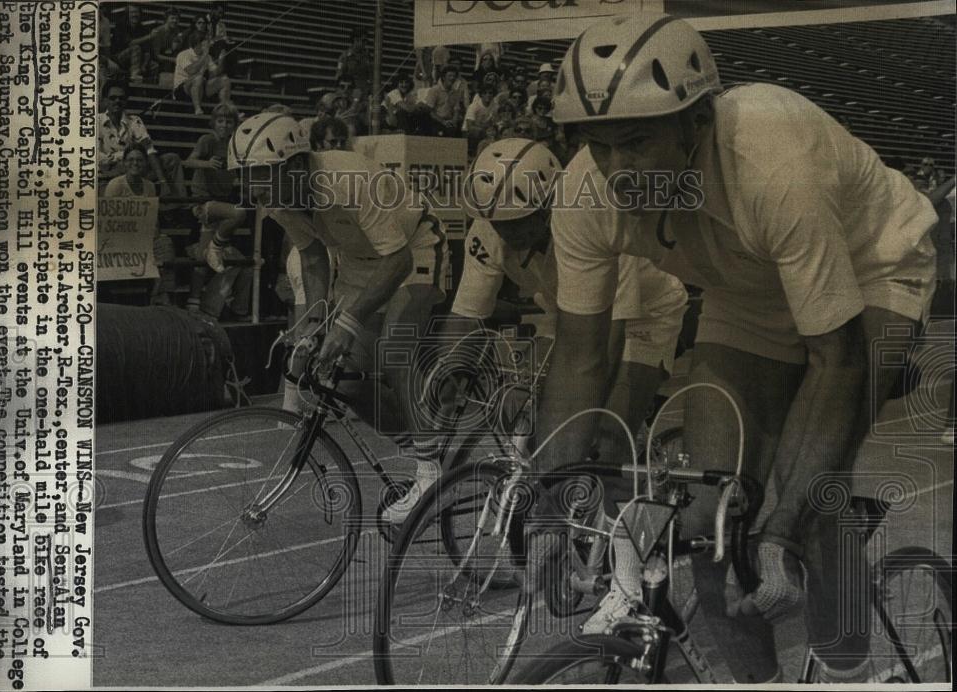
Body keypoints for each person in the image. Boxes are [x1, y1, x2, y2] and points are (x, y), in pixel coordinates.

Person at [535, 12, 938, 684]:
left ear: (697, 124)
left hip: (872, 268)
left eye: (636, 142)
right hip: (746, 291)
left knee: (807, 503)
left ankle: (856, 675)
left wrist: (781, 525)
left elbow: (836, 360)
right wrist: (552, 507)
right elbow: (579, 359)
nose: (617, 171)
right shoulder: (583, 194)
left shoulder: (769, 157)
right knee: (707, 522)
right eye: (599, 148)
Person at [375, 139, 689, 524]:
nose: (506, 233)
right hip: (568, 311)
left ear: (546, 208)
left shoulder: (589, 217)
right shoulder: (489, 228)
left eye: (517, 223)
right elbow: (465, 319)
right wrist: (446, 379)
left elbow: (605, 346)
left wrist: (583, 417)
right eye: (498, 223)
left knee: (607, 434)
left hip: (645, 317)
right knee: (526, 407)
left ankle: (627, 576)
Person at [218, 113, 450, 465]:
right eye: (246, 177)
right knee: (341, 380)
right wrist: (313, 324)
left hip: (413, 247)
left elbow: (398, 260)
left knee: (394, 352)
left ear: (294, 165)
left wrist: (347, 322)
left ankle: (429, 470)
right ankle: (424, 449)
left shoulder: (348, 177)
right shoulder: (278, 198)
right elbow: (312, 258)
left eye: (260, 176)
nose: (253, 189)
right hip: (359, 260)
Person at [103, 144, 176, 305]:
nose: (135, 163)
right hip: (121, 237)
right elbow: (108, 221)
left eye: (139, 160)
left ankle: (159, 294)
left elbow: (152, 218)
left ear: (145, 163)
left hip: (142, 236)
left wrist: (155, 234)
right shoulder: (116, 185)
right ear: (124, 163)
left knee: (165, 243)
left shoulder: (149, 186)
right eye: (130, 160)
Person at [97, 81, 185, 201]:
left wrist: (163, 181)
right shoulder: (95, 121)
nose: (117, 101)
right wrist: (123, 158)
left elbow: (149, 149)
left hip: (133, 169)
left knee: (172, 159)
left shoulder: (134, 121)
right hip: (107, 176)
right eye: (113, 98)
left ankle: (177, 205)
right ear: (105, 100)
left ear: (126, 101)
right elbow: (98, 158)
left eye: (121, 98)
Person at [184, 103, 239, 201]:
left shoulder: (234, 143)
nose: (224, 125)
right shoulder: (207, 140)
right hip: (203, 197)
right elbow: (188, 162)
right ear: (214, 123)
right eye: (220, 121)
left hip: (224, 195)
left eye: (229, 122)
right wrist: (207, 163)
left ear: (234, 125)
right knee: (239, 214)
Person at [174, 33, 234, 116]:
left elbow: (215, 73)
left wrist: (221, 60)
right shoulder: (184, 54)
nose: (209, 45)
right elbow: (192, 71)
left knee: (225, 80)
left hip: (200, 86)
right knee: (198, 78)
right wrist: (205, 54)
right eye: (206, 43)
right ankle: (197, 108)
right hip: (182, 89)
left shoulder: (207, 57)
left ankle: (226, 109)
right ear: (198, 44)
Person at [421, 64, 464, 138]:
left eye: (454, 76)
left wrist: (454, 121)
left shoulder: (456, 92)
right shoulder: (435, 90)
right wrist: (443, 122)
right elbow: (430, 111)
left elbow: (456, 110)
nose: (452, 78)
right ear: (444, 77)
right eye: (450, 76)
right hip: (437, 121)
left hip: (449, 121)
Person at [336, 28, 373, 96]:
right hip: (350, 93)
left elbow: (371, 76)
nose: (365, 43)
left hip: (365, 94)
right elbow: (339, 76)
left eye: (366, 41)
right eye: (363, 41)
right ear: (355, 40)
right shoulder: (345, 57)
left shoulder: (368, 57)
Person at [463, 83, 499, 152]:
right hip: (469, 132)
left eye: (490, 93)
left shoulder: (495, 106)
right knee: (478, 133)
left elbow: (495, 122)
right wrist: (485, 129)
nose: (488, 95)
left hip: (487, 131)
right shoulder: (474, 106)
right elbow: (470, 126)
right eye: (485, 93)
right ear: (481, 94)